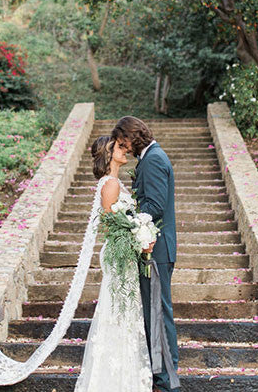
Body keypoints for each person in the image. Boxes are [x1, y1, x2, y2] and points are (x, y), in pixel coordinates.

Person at [74, 136, 154, 392]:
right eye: (120, 147)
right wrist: (140, 238)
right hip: (119, 256)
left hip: (123, 256)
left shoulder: (115, 182)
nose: (126, 149)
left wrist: (142, 234)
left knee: (124, 314)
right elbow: (112, 226)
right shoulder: (110, 184)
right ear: (108, 154)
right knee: (119, 314)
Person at [112, 117, 179, 392]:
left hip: (156, 250)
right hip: (156, 248)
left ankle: (167, 381)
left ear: (132, 136)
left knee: (159, 314)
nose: (124, 149)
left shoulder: (152, 159)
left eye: (123, 142)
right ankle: (160, 376)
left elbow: (155, 205)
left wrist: (126, 223)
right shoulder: (152, 156)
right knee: (155, 313)